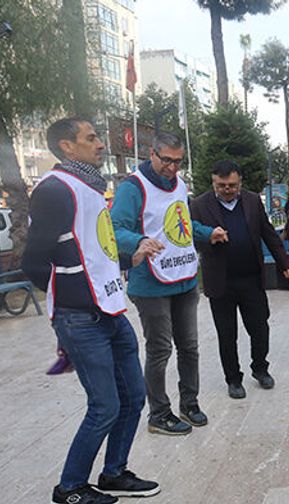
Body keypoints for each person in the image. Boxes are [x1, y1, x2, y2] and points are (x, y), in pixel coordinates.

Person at [23, 118, 159, 504]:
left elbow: (94, 249)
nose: (100, 144)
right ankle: (70, 488)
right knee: (104, 406)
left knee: (133, 398)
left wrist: (129, 258)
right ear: (67, 147)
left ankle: (114, 472)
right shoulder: (55, 190)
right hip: (82, 319)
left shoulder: (90, 188)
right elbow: (35, 261)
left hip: (111, 310)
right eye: (91, 138)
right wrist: (67, 307)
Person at [111, 132, 227, 435]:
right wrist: (138, 240)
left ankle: (190, 403)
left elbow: (181, 224)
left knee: (189, 347)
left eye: (178, 161)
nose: (172, 168)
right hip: (150, 284)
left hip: (185, 278)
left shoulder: (180, 185)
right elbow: (114, 230)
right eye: (167, 160)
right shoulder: (132, 188)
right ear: (152, 154)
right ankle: (159, 414)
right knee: (160, 350)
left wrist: (206, 232)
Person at [189, 160, 289, 399]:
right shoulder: (199, 205)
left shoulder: (252, 200)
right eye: (221, 185)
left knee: (259, 328)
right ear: (213, 182)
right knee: (227, 334)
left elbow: (269, 234)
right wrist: (209, 237)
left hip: (251, 279)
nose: (227, 189)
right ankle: (233, 379)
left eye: (232, 185)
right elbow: (192, 238)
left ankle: (260, 368)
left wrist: (284, 264)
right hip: (220, 282)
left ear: (240, 183)